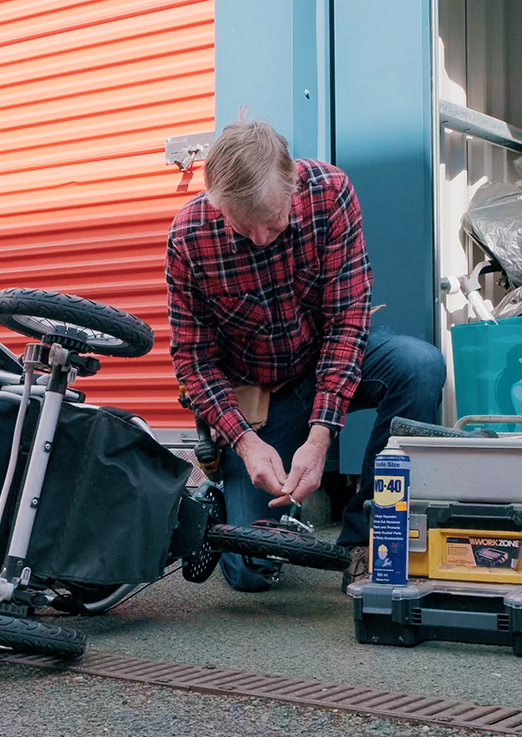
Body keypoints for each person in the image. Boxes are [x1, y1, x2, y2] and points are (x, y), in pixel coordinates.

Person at [164, 114, 446, 592]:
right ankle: (230, 494)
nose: (259, 238)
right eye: (243, 226)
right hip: (263, 394)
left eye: (272, 221)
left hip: (328, 359)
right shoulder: (189, 237)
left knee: (419, 366)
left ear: (292, 183)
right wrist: (245, 443)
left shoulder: (330, 194)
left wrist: (319, 442)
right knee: (249, 572)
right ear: (216, 203)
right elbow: (193, 360)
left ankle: (365, 537)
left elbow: (346, 322)